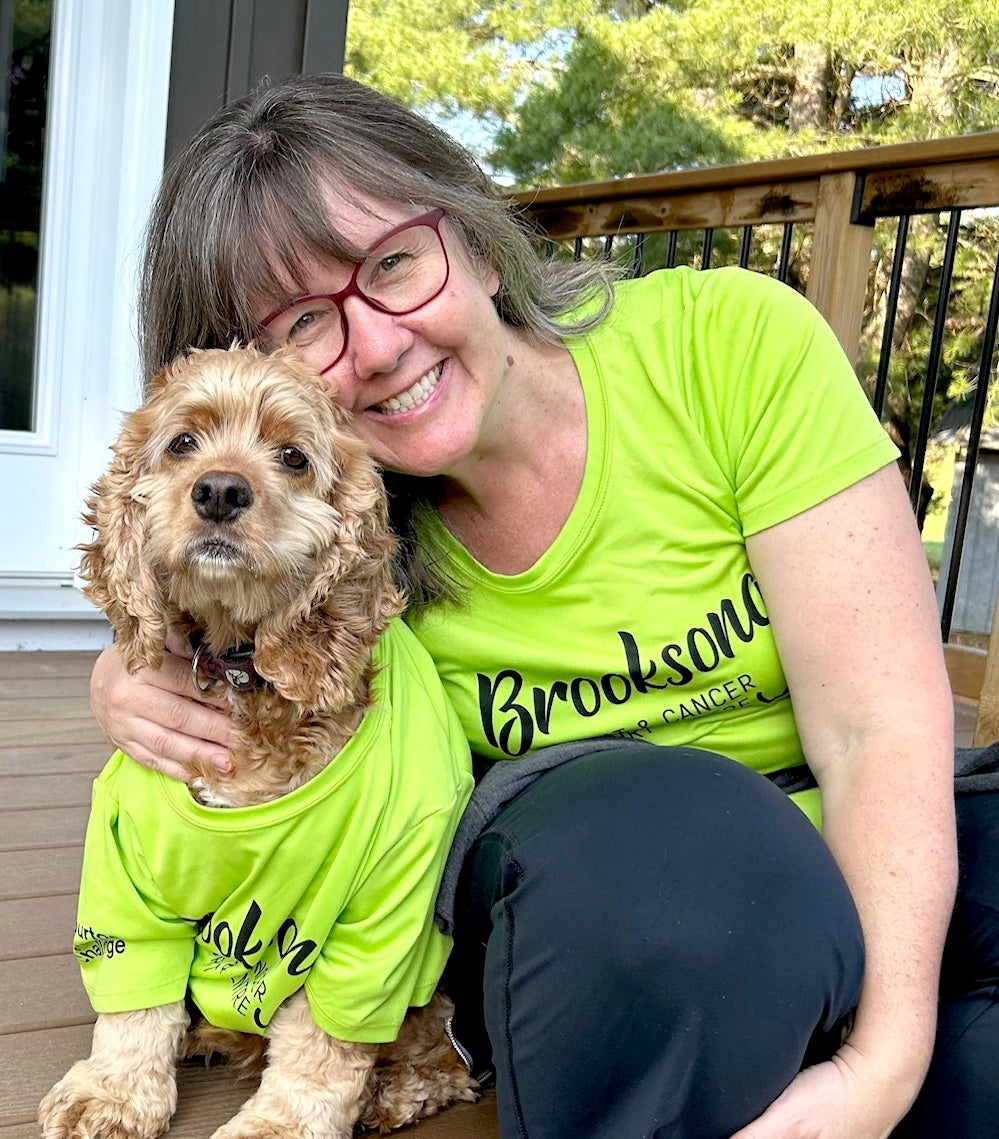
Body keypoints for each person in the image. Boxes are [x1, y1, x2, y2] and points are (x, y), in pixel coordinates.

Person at [86, 73, 998, 1138]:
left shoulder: (729, 345)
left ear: (471, 237)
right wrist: (136, 669)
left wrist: (885, 1063)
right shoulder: (331, 537)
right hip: (626, 901)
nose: (377, 345)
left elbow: (877, 726)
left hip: (861, 835)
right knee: (670, 893)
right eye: (304, 326)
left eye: (394, 264)